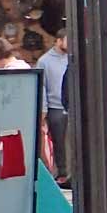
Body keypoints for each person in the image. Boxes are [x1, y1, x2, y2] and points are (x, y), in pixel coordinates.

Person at [38, 31, 71, 184]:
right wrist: (43, 109)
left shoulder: (73, 58)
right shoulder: (44, 61)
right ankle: (61, 172)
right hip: (55, 106)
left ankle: (71, 173)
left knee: (72, 142)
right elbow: (42, 86)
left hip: (72, 106)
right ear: (58, 41)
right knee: (58, 141)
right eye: (67, 40)